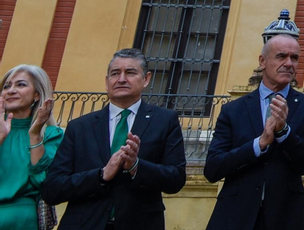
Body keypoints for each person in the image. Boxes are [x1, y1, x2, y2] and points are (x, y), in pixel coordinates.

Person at [203, 13, 304, 230]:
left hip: (287, 217)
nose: (289, 63)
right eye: (281, 56)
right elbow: (213, 169)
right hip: (235, 216)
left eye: (294, 57)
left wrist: (283, 132)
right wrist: (258, 144)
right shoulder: (234, 110)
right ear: (262, 61)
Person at [42, 48, 186, 230]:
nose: (122, 79)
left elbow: (176, 179)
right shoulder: (80, 127)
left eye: (130, 72)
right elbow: (52, 189)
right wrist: (101, 175)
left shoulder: (165, 121)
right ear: (106, 81)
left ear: (146, 79)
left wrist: (136, 166)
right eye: (115, 73)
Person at [0, 64, 62, 230]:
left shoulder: (51, 134)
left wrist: (34, 135)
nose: (11, 90)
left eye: (20, 85)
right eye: (6, 86)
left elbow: (42, 181)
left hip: (21, 221)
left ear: (37, 94)